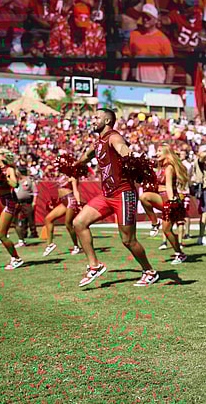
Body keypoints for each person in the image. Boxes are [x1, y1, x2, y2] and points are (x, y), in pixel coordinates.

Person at [72, 109, 158, 288]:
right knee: (79, 222)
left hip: (124, 194)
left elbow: (124, 151)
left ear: (108, 120)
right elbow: (86, 157)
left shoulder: (114, 137)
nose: (93, 120)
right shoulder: (98, 142)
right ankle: (95, 266)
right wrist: (73, 166)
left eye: (97, 117)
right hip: (107, 195)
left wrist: (131, 160)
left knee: (128, 240)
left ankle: (149, 271)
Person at [139, 145, 188, 264]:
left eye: (160, 151)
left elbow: (169, 187)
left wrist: (171, 202)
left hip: (168, 199)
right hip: (163, 198)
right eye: (157, 151)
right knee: (167, 230)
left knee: (167, 230)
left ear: (167, 153)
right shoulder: (162, 167)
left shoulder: (169, 167)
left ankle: (179, 253)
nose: (157, 153)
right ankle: (179, 253)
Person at [129, 4, 174, 84]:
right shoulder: (134, 35)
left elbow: (171, 66)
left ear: (155, 20)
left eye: (148, 17)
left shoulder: (163, 39)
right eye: (143, 17)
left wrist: (166, 87)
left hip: (157, 82)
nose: (145, 20)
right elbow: (128, 60)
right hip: (138, 82)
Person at [42, 174, 82, 256]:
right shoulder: (61, 175)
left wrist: (78, 203)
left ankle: (76, 246)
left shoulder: (73, 176)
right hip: (63, 201)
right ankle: (50, 244)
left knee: (68, 224)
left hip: (70, 200)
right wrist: (56, 202)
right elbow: (60, 189)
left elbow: (75, 191)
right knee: (48, 219)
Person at [14, 166, 37, 246]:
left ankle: (33, 232)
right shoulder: (18, 181)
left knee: (30, 218)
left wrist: (34, 201)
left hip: (27, 202)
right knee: (22, 219)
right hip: (19, 202)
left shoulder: (29, 180)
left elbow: (35, 192)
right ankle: (24, 233)